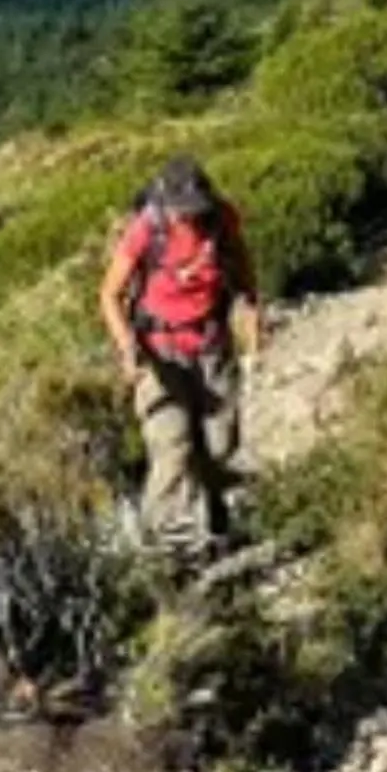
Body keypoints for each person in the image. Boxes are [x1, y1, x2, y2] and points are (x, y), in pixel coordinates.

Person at [99, 155, 262, 560]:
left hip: (211, 344)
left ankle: (215, 521)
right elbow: (109, 295)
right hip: (159, 351)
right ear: (167, 204)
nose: (191, 218)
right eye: (183, 211)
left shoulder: (222, 219)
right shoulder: (146, 230)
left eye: (196, 210)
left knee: (220, 444)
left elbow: (242, 267)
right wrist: (127, 346)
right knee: (173, 446)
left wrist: (254, 316)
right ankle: (165, 547)